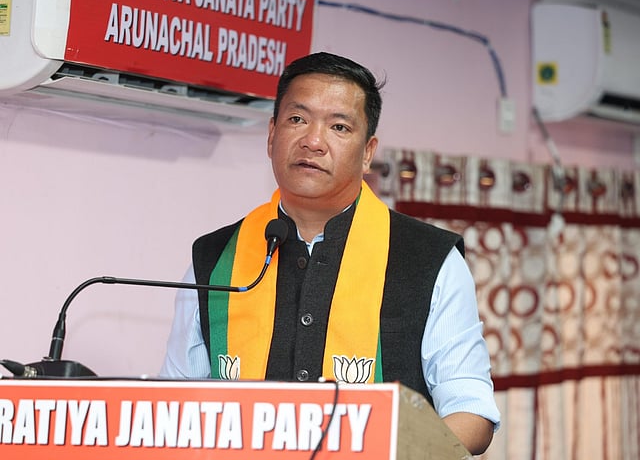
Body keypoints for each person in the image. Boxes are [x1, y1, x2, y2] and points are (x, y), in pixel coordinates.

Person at [160, 51, 500, 454]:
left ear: (368, 152)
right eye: (297, 119)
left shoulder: (430, 260)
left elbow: (471, 412)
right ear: (271, 135)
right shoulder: (214, 259)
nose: (313, 141)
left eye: (339, 126)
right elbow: (174, 408)